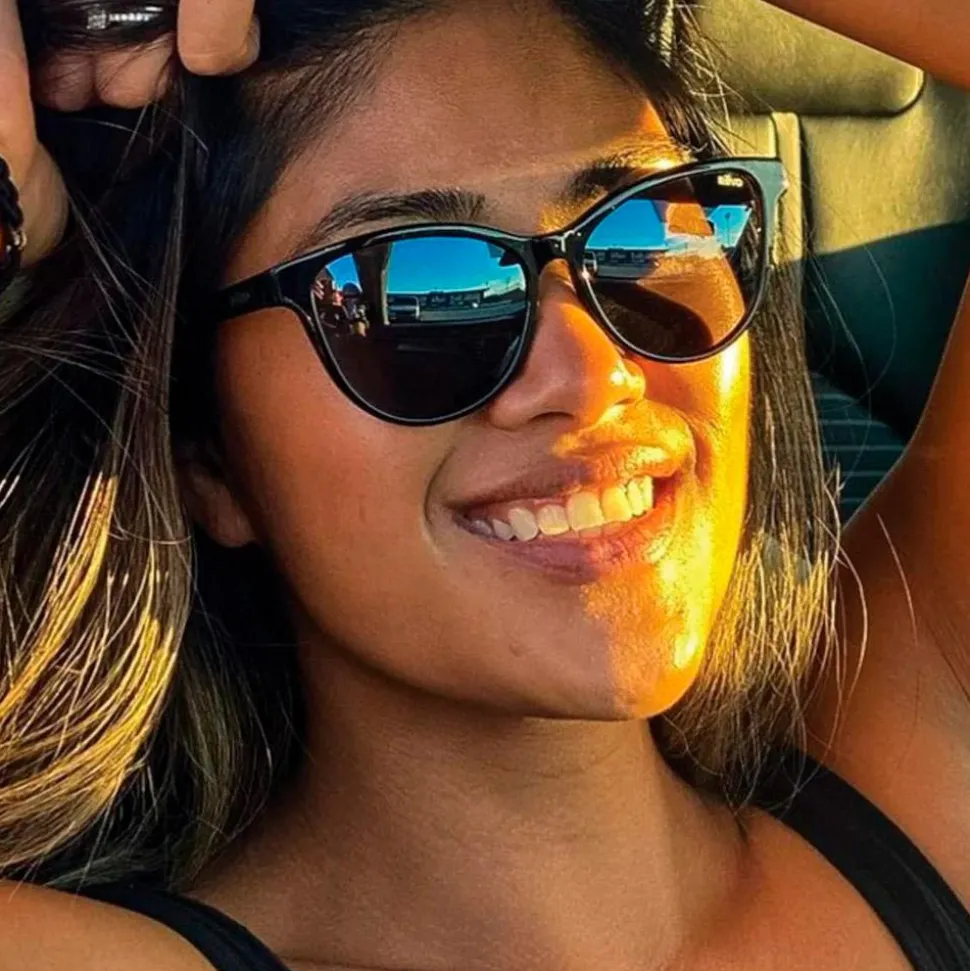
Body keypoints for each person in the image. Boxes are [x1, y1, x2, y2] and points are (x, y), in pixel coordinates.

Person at [0, 1, 968, 970]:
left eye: (648, 240)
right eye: (414, 294)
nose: (591, 375)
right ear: (207, 455)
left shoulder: (919, 793)